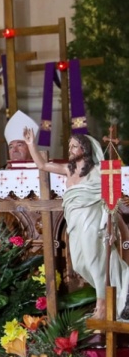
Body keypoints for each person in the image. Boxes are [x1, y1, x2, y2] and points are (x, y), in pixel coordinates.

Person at [24, 128, 129, 320]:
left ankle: (102, 306)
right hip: (75, 222)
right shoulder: (68, 169)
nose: (70, 149)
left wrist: (110, 226)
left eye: (74, 146)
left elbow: (110, 199)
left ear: (85, 149)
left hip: (91, 220)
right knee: (80, 263)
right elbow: (42, 165)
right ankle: (111, 295)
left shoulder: (99, 170)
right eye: (69, 146)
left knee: (94, 262)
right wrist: (31, 144)